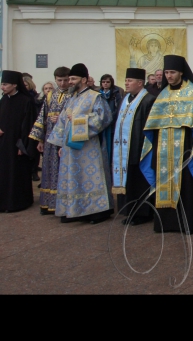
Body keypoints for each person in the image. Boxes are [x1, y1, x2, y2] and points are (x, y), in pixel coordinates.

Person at [141, 55, 193, 235]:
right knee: (163, 182)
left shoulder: (192, 93)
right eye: (166, 72)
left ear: (181, 73)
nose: (168, 76)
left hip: (185, 147)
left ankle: (187, 223)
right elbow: (153, 123)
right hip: (163, 148)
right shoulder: (163, 94)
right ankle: (165, 222)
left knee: (186, 185)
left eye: (172, 72)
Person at [48, 64, 113, 224]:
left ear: (83, 79)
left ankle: (98, 211)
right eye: (69, 78)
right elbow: (63, 122)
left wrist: (78, 121)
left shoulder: (95, 97)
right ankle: (75, 209)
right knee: (74, 178)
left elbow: (104, 118)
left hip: (89, 148)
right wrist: (61, 145)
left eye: (73, 78)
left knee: (89, 178)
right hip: (70, 148)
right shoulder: (72, 98)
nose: (70, 82)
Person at [112, 69, 156, 226]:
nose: (126, 83)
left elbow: (150, 127)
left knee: (139, 183)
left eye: (130, 80)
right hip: (124, 150)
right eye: (126, 80)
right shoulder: (126, 99)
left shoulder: (148, 100)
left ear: (140, 83)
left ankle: (142, 213)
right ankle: (129, 211)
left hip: (140, 149)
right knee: (129, 182)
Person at [29, 66, 72, 215]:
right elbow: (42, 117)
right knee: (49, 170)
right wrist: (40, 139)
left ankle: (63, 204)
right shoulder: (50, 95)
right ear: (55, 80)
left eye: (66, 80)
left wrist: (61, 117)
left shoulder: (73, 95)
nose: (63, 83)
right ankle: (49, 203)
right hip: (49, 138)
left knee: (62, 170)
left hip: (65, 137)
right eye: (59, 80)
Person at [0, 71, 39, 213]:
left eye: (5, 84)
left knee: (17, 173)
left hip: (17, 144)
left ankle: (18, 202)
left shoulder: (26, 101)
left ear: (15, 85)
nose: (2, 87)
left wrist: (23, 145)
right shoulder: (3, 100)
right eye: (2, 84)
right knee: (4, 172)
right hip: (3, 144)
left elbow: (28, 125)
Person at [99, 74, 123, 165]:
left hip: (112, 124)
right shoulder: (98, 94)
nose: (105, 84)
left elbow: (118, 108)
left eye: (108, 82)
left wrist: (109, 118)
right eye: (103, 82)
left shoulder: (116, 93)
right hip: (101, 124)